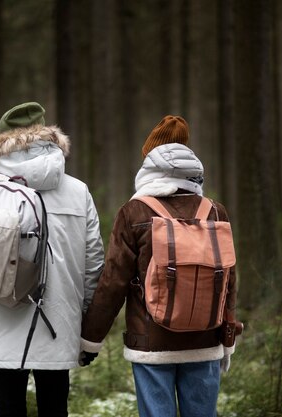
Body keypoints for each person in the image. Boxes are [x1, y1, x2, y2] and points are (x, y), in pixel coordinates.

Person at [0, 102, 104, 417]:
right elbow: (93, 261)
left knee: (8, 407)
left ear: (2, 143)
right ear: (49, 138)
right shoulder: (78, 191)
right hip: (61, 320)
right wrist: (87, 322)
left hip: (2, 312)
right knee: (55, 409)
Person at [79, 115, 239, 417]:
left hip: (151, 343)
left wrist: (90, 340)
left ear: (149, 167)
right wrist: (227, 339)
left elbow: (113, 282)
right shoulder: (215, 212)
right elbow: (228, 281)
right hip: (205, 339)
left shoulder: (134, 212)